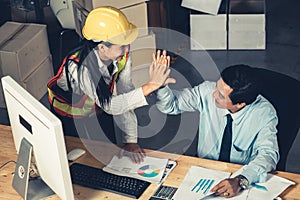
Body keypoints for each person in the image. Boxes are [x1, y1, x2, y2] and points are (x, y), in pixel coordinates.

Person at [47, 6, 175, 163]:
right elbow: (110, 105)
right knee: (78, 162)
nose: (127, 48)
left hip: (95, 108)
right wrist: (150, 86)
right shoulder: (80, 68)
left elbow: (124, 92)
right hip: (70, 116)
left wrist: (130, 141)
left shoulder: (121, 53)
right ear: (102, 47)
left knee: (108, 157)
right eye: (122, 45)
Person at [155, 64, 279, 198]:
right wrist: (160, 86)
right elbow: (170, 105)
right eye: (216, 87)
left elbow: (268, 154)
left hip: (238, 176)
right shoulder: (207, 90)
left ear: (240, 104)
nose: (213, 94)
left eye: (220, 95)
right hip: (203, 171)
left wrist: (241, 180)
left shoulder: (264, 113)